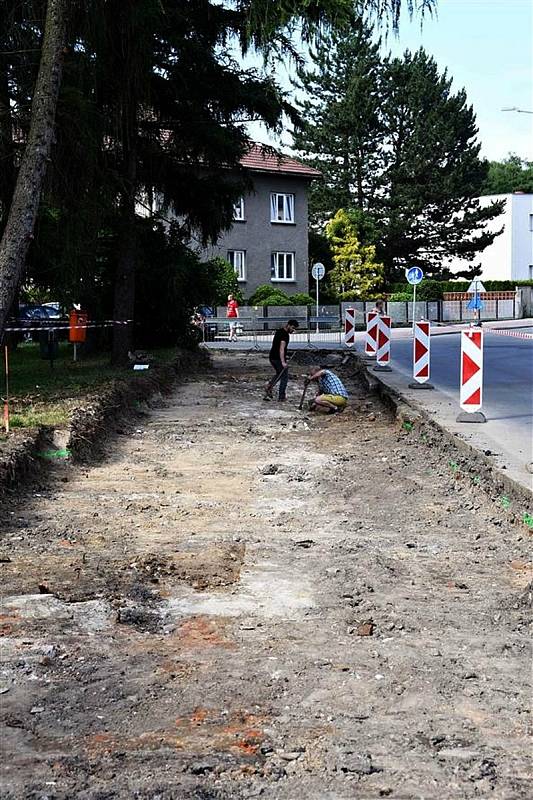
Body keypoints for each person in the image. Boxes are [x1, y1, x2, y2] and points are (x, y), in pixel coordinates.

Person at [265, 319, 299, 401]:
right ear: (288, 325)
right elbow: (281, 349)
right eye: (293, 328)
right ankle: (281, 396)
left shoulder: (279, 331)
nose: (293, 330)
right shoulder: (285, 335)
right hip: (277, 358)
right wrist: (283, 362)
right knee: (284, 376)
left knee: (279, 373)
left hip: (272, 357)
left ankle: (269, 386)